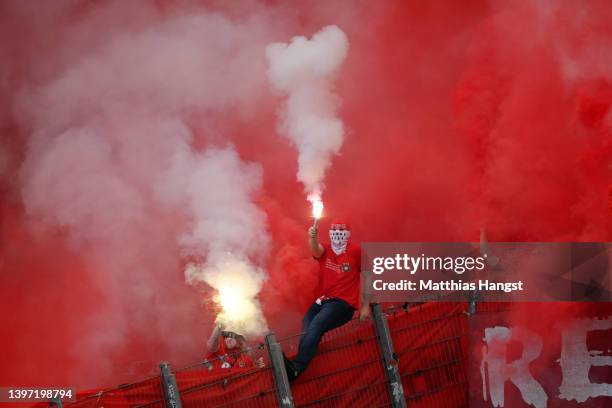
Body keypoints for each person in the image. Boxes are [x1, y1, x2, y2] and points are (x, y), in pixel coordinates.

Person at [283, 220, 370, 380]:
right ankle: (297, 363)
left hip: (342, 304)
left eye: (341, 229)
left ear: (348, 233)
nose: (338, 232)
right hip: (323, 301)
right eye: (335, 229)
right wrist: (312, 237)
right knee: (307, 326)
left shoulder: (356, 251)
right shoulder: (327, 249)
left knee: (317, 325)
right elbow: (316, 250)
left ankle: (297, 367)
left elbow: (368, 274)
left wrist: (365, 306)